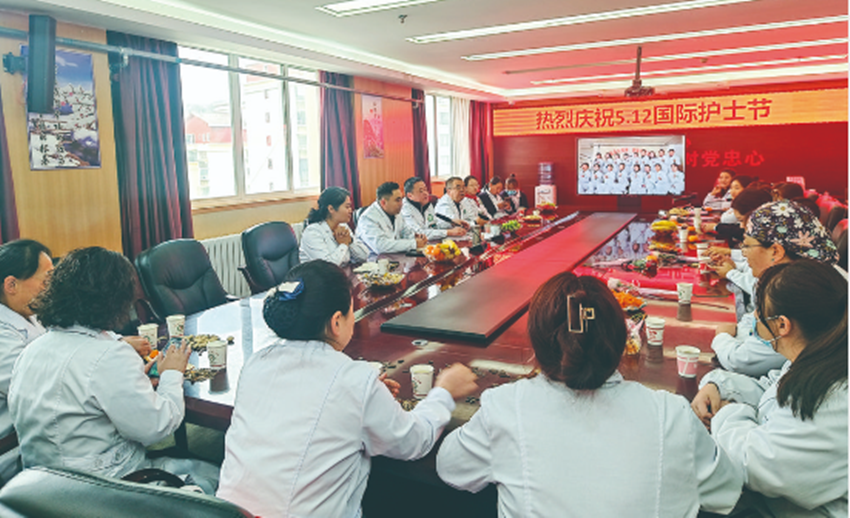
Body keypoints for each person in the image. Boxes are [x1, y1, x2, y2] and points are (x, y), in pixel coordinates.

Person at [436, 272, 742, 517]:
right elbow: (726, 490)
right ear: (620, 338)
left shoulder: (505, 407)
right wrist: (731, 417)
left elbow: (451, 467)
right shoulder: (672, 414)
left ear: (537, 343)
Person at [217, 260, 478, 517]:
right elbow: (413, 442)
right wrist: (444, 392)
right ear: (336, 322)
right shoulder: (353, 380)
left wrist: (368, 399)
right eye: (352, 311)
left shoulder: (255, 364)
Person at [8, 247, 219, 493]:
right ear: (117, 298)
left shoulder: (32, 350)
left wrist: (133, 381)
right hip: (104, 490)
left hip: (40, 489)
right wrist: (172, 373)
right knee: (217, 476)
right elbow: (157, 427)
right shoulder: (108, 355)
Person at [691, 260, 847, 517]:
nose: (754, 318)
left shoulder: (831, 398)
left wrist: (728, 412)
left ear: (782, 325)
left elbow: (755, 464)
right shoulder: (820, 355)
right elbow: (772, 389)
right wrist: (719, 385)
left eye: (759, 311)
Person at [709, 200, 840, 377]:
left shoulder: (802, 294)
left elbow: (742, 361)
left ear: (776, 252)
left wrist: (722, 336)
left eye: (746, 245)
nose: (744, 253)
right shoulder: (803, 275)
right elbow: (754, 319)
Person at [0, 239, 53, 483]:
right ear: (11, 284)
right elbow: (36, 388)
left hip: (41, 426)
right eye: (46, 280)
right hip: (14, 449)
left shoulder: (29, 313)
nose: (51, 288)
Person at [299, 186, 369, 266]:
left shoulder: (342, 226)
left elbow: (364, 257)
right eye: (347, 207)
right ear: (331, 209)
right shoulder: (313, 232)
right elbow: (327, 266)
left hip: (343, 272)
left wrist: (350, 241)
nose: (351, 210)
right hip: (319, 274)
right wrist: (344, 244)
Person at [355, 182, 427, 254]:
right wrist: (413, 243)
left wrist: (416, 237)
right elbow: (380, 246)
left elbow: (406, 232)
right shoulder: (367, 218)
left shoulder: (396, 213)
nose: (401, 204)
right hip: (373, 259)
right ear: (383, 202)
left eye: (401, 199)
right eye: (397, 200)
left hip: (395, 257)